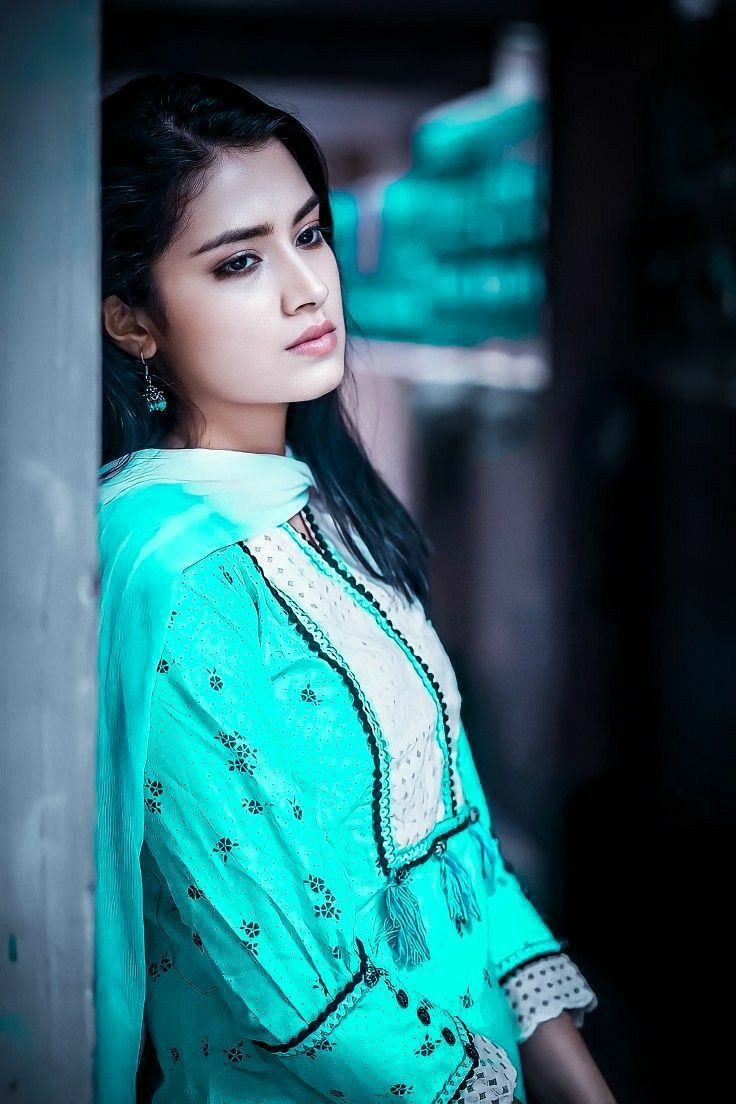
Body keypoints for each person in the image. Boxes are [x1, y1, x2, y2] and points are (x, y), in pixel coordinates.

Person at [96, 71, 616, 1104]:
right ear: (133, 321)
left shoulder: (325, 507)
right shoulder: (172, 571)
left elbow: (464, 846)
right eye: (239, 261)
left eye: (310, 234)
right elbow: (298, 991)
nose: (305, 287)